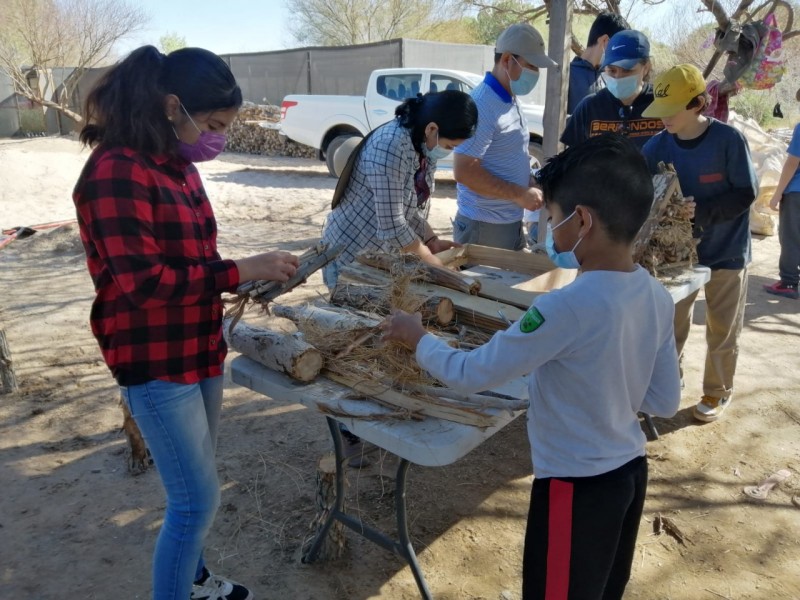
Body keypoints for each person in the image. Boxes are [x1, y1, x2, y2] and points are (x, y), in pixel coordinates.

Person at [382, 134, 680, 599]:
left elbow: (470, 373)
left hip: (573, 488)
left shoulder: (566, 308)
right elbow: (664, 400)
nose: (549, 230)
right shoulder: (656, 295)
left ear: (583, 220)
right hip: (628, 476)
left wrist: (417, 336)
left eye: (553, 218)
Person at [73, 46, 300, 600]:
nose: (217, 138)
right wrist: (237, 269)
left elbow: (196, 264)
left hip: (199, 347)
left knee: (199, 480)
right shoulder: (115, 170)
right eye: (215, 125)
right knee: (195, 499)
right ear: (174, 106)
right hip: (153, 358)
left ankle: (194, 581)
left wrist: (245, 280)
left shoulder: (177, 165)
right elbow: (144, 283)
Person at [642, 64, 758, 422]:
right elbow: (644, 195)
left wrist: (701, 211)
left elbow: (746, 193)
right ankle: (667, 385)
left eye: (671, 110)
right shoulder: (655, 147)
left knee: (722, 328)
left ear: (697, 104)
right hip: (676, 260)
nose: (663, 119)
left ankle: (716, 391)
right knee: (670, 326)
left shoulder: (728, 141)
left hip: (726, 251)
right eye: (659, 110)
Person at [321, 90, 478, 289]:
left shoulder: (424, 146)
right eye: (450, 145)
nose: (450, 151)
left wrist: (431, 240)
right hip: (351, 256)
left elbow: (406, 209)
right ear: (432, 128)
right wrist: (431, 262)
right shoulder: (391, 146)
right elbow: (392, 226)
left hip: (379, 257)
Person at [452, 23, 556, 250]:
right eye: (531, 66)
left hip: (506, 223)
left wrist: (527, 181)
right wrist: (519, 194)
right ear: (507, 60)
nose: (536, 74)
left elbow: (505, 155)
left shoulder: (507, 100)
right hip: (484, 228)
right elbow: (464, 170)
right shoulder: (482, 104)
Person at [561, 30, 663, 149]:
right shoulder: (589, 108)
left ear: (646, 68)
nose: (618, 77)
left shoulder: (662, 103)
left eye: (627, 70)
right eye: (612, 70)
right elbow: (571, 160)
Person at [763, 117, 800, 299]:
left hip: (797, 193)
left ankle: (789, 282)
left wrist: (778, 194)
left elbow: (792, 162)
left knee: (791, 238)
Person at [567, 11, 630, 114]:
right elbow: (553, 121)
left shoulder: (609, 80)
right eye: (619, 50)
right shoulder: (567, 74)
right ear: (605, 40)